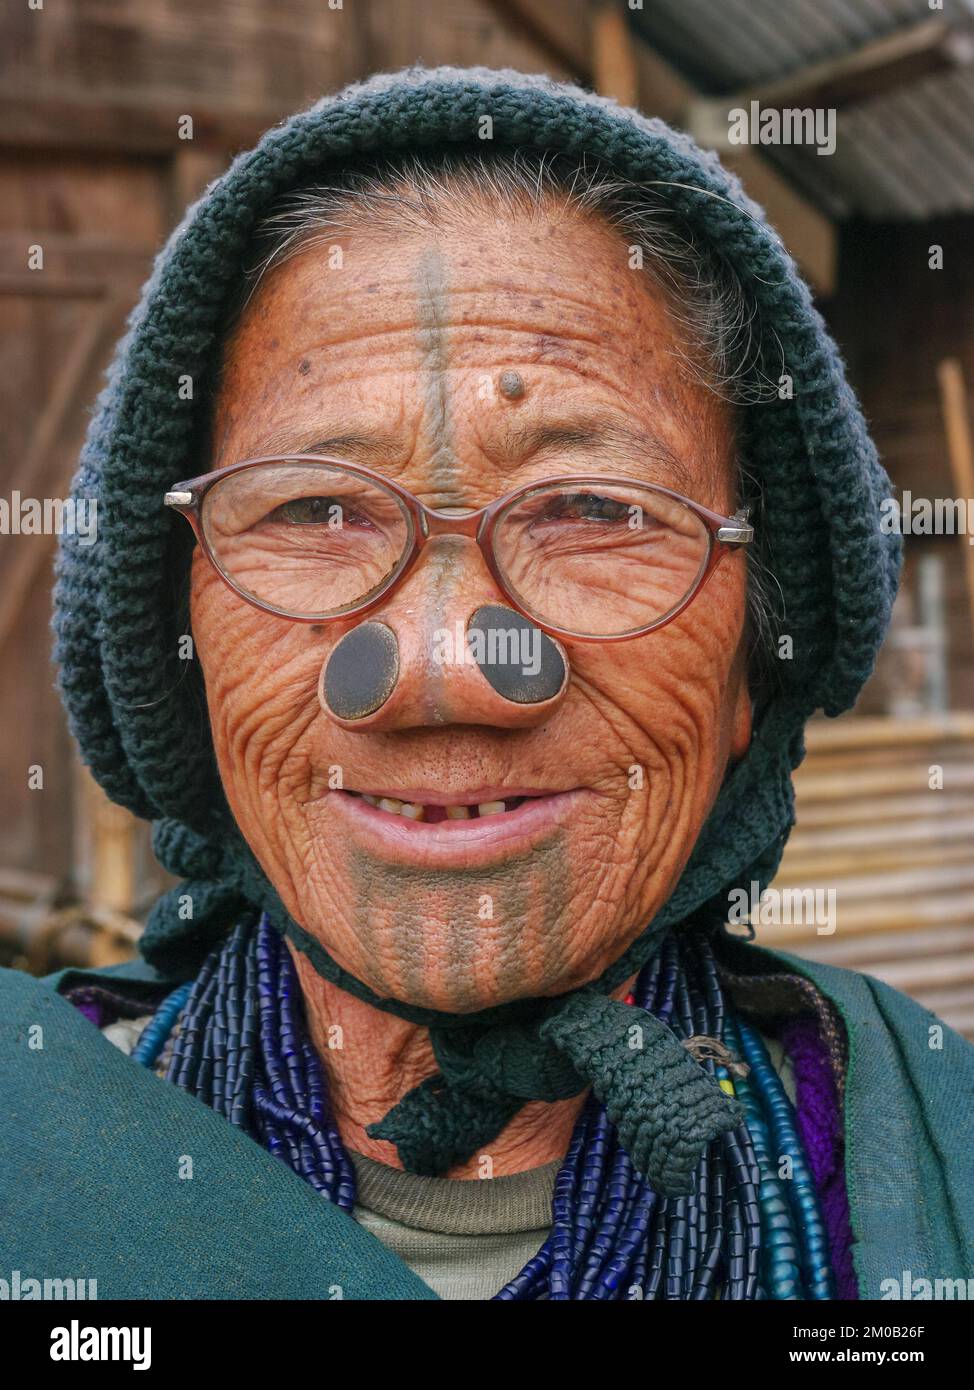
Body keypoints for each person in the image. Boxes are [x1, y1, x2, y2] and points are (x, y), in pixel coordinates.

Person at [2, 65, 971, 1301]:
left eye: (588, 510)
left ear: (751, 666)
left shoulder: (932, 1168)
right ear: (172, 638)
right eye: (316, 508)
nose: (446, 668)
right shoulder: (28, 1136)